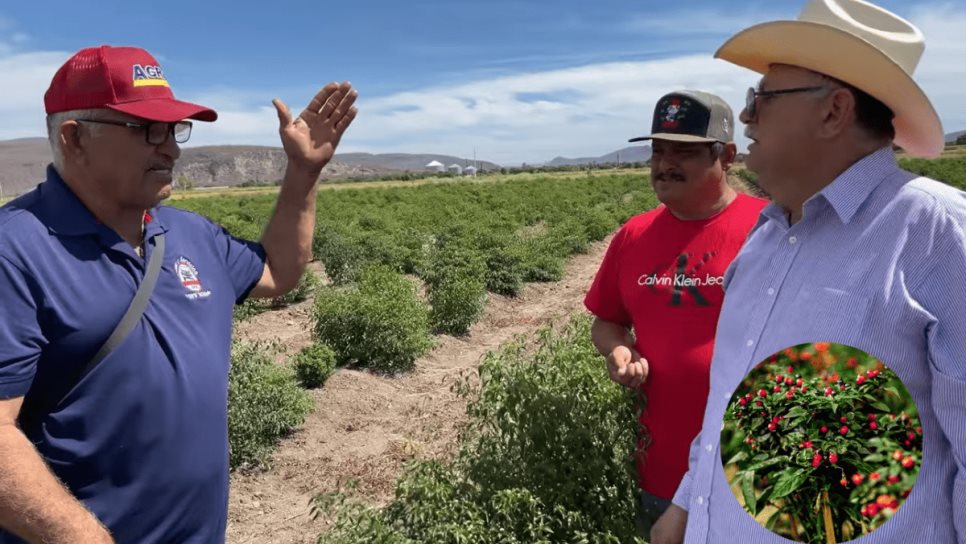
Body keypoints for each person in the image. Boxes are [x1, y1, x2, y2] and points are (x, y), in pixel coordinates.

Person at [0, 45, 357, 543]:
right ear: (75, 137)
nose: (170, 149)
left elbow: (278, 272)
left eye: (173, 130)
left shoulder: (191, 235)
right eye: (146, 129)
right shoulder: (14, 250)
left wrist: (304, 171)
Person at [649, 1, 966, 543]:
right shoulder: (765, 239)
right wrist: (687, 505)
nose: (747, 116)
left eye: (763, 98)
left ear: (834, 111)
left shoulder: (938, 234)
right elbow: (731, 400)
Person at [583, 90, 768, 537]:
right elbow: (607, 320)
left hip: (756, 467)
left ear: (725, 156)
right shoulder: (634, 235)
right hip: (661, 469)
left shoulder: (770, 229)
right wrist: (618, 351)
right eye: (658, 151)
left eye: (682, 151)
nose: (665, 162)